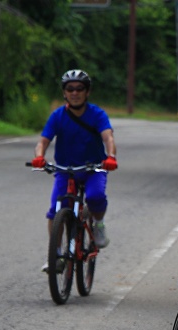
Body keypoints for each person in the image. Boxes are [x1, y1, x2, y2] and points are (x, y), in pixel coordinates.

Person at [32, 69, 117, 271]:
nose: (75, 92)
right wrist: (39, 157)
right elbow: (43, 141)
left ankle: (99, 224)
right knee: (55, 211)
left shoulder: (97, 114)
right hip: (65, 170)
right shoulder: (58, 116)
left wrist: (111, 157)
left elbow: (108, 138)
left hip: (93, 168)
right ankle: (57, 254)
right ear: (64, 92)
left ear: (87, 92)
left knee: (95, 197)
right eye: (70, 89)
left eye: (80, 88)